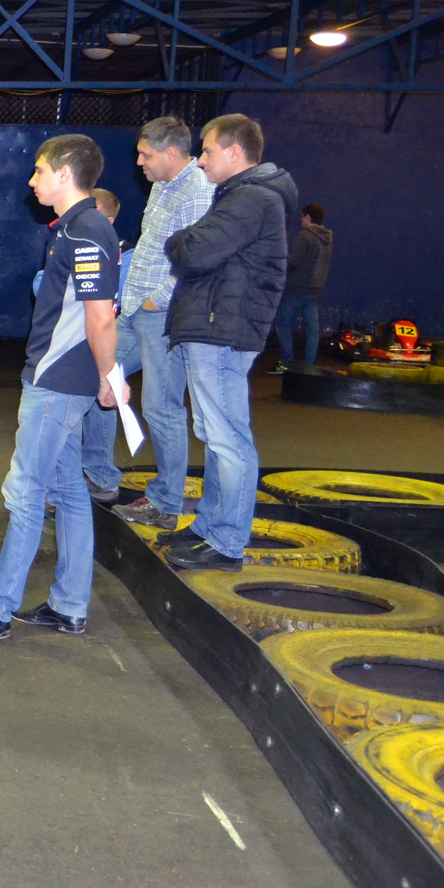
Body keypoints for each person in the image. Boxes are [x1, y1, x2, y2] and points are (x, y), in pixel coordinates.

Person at [0, 135, 125, 648]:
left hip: (56, 383)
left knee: (25, 491)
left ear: (65, 174)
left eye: (39, 171)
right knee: (67, 489)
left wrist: (109, 377)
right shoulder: (74, 228)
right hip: (58, 379)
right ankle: (69, 605)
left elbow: (100, 317)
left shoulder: (87, 230)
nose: (31, 181)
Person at [159, 115, 297, 572]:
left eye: (208, 150)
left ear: (235, 152)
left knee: (228, 439)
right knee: (215, 435)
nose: (201, 160)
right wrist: (186, 242)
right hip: (218, 328)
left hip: (222, 331)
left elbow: (192, 251)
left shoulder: (251, 199)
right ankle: (210, 527)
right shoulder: (242, 197)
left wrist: (179, 240)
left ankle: (226, 541)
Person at [111, 119, 213, 530]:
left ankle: (166, 504)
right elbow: (153, 247)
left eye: (146, 155)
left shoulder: (197, 190)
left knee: (160, 407)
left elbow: (196, 260)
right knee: (96, 376)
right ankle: (98, 475)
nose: (139, 162)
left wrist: (159, 299)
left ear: (172, 153)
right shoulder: (162, 185)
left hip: (161, 314)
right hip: (134, 307)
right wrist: (132, 297)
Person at [73, 188, 138, 505]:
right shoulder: (77, 244)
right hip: (104, 326)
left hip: (129, 328)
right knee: (93, 379)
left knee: (105, 383)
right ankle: (87, 471)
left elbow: (110, 302)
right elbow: (41, 283)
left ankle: (101, 477)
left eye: (92, 214)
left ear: (109, 221)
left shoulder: (127, 256)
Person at [270, 203, 333, 373]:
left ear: (308, 217)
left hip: (297, 287)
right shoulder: (328, 238)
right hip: (316, 288)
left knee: (282, 321)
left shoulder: (304, 236)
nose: (300, 219)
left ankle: (286, 361)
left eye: (302, 216)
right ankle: (308, 365)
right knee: (312, 327)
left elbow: (293, 262)